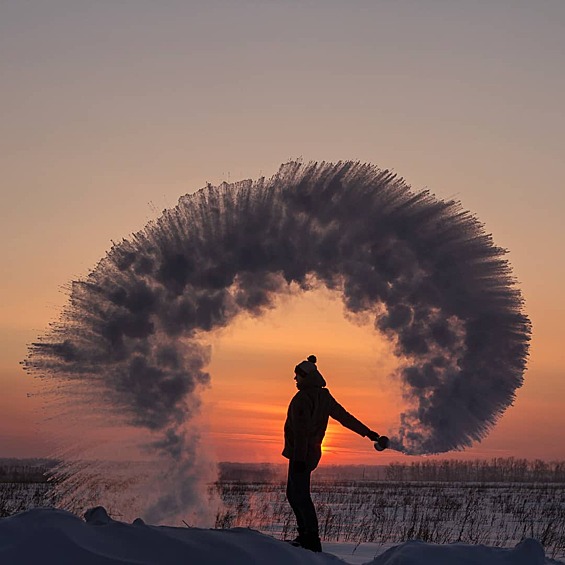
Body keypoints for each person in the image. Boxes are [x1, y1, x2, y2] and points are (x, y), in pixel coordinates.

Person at [282, 355, 387, 553]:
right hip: (309, 454)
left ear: (305, 377)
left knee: (299, 495)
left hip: (301, 455)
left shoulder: (303, 398)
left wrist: (299, 459)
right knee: (294, 494)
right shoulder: (324, 396)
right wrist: (368, 433)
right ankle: (306, 535)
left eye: (297, 376)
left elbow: (301, 431)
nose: (295, 380)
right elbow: (345, 417)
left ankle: (310, 539)